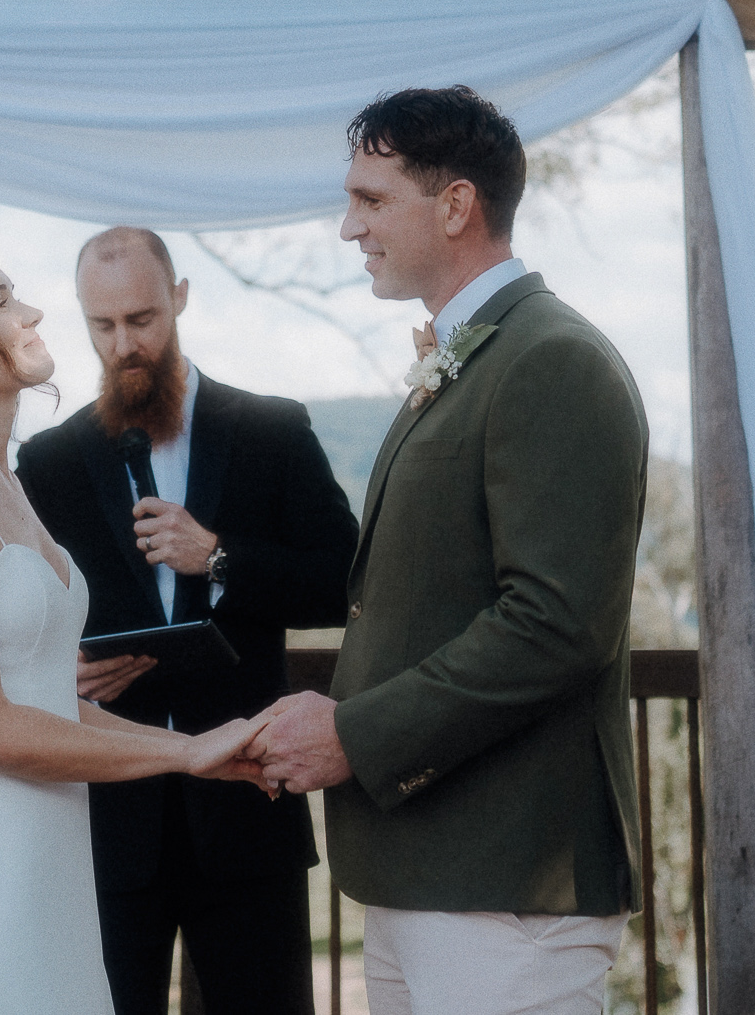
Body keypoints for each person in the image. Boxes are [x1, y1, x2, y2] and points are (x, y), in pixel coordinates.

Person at [247, 87, 650, 1015]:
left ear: (457, 204)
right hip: (424, 868)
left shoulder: (554, 359)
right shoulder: (477, 355)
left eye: (372, 199)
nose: (351, 227)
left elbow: (555, 623)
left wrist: (356, 733)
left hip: (507, 882)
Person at [0, 245, 267, 1014]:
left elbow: (43, 699)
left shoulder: (1, 483)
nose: (30, 313)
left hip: (49, 876)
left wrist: (199, 750)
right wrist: (185, 750)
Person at [18, 228, 360, 1015]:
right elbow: (18, 617)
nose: (124, 344)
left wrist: (219, 556)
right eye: (101, 326)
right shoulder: (48, 461)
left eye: (142, 318)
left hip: (249, 805)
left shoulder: (272, 429)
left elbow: (345, 581)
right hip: (106, 821)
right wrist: (57, 668)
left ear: (180, 297)